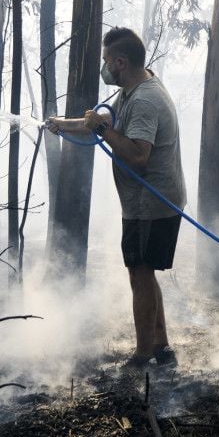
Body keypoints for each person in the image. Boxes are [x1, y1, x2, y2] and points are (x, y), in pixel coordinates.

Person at [45, 27, 186, 367]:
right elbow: (100, 120)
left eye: (108, 61)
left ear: (121, 62)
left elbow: (138, 156)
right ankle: (161, 346)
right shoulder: (134, 89)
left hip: (152, 204)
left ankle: (143, 354)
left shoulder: (144, 100)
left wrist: (103, 130)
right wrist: (62, 125)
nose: (105, 67)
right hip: (146, 203)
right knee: (145, 271)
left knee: (139, 273)